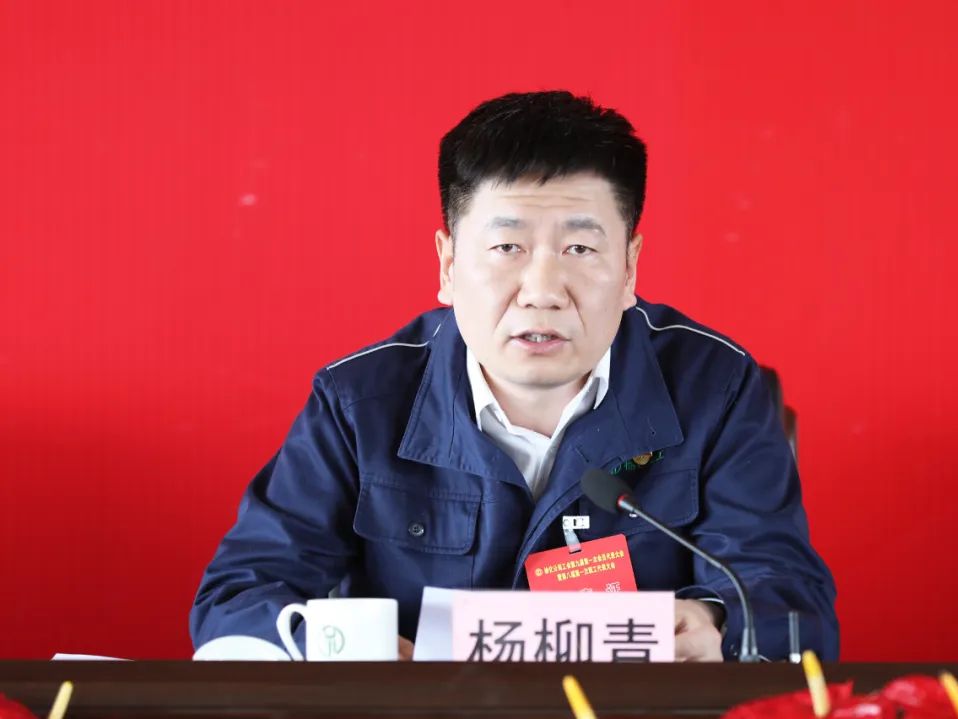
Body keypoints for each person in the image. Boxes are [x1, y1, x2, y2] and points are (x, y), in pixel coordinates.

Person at [190, 90, 839, 662]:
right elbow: (239, 596)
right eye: (507, 248)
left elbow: (790, 598)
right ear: (448, 265)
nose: (543, 291)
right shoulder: (361, 401)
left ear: (629, 268)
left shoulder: (715, 388)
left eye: (580, 249)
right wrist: (343, 652)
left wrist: (719, 624)